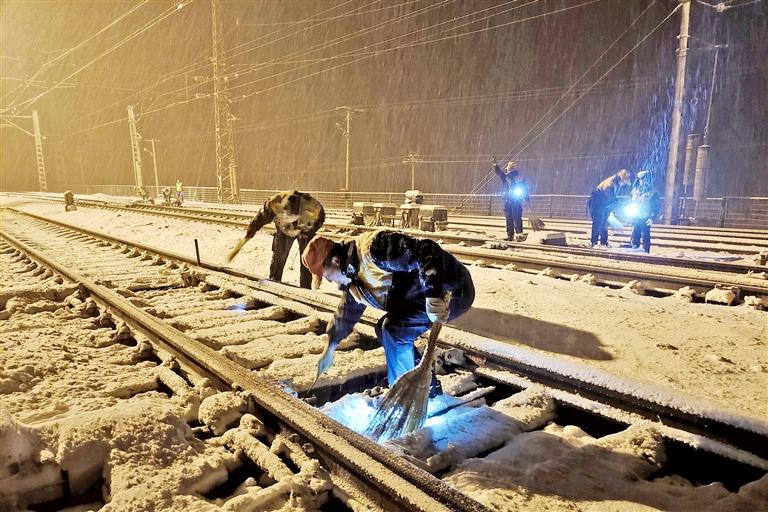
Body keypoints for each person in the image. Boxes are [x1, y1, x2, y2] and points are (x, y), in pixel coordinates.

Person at [301, 229, 475, 395]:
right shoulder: (352, 276)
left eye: (327, 275)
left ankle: (411, 389)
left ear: (334, 261)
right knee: (384, 329)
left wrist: (433, 294)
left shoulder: (376, 248)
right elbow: (347, 311)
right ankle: (423, 387)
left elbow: (426, 251)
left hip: (451, 289)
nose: (329, 281)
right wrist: (330, 346)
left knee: (394, 331)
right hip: (418, 297)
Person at [228, 190, 325, 289]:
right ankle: (274, 284)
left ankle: (305, 289)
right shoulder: (273, 204)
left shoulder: (313, 207)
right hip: (283, 229)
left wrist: (308, 231)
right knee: (278, 257)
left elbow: (320, 219)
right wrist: (250, 232)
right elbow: (260, 218)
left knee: (306, 259)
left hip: (304, 229)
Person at [588, 169, 631, 247]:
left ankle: (603, 242)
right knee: (598, 222)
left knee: (604, 223)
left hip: (602, 204)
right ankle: (594, 242)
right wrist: (618, 205)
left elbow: (611, 197)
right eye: (625, 182)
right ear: (622, 179)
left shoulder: (615, 182)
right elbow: (609, 196)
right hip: (597, 203)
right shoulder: (611, 183)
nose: (624, 184)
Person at [493, 159, 529, 240]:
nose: (508, 171)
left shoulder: (518, 178)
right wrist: (495, 166)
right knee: (509, 219)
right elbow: (499, 173)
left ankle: (518, 235)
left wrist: (526, 200)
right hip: (508, 201)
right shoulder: (506, 177)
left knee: (516, 218)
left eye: (509, 169)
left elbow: (524, 190)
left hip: (515, 201)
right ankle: (511, 236)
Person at [627, 171, 660, 253]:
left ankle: (645, 251)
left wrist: (652, 217)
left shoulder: (653, 193)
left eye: (643, 179)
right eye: (640, 179)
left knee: (645, 236)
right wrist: (629, 216)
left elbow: (656, 207)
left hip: (646, 217)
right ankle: (634, 249)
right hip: (636, 216)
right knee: (635, 235)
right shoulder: (634, 191)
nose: (641, 181)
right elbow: (631, 203)